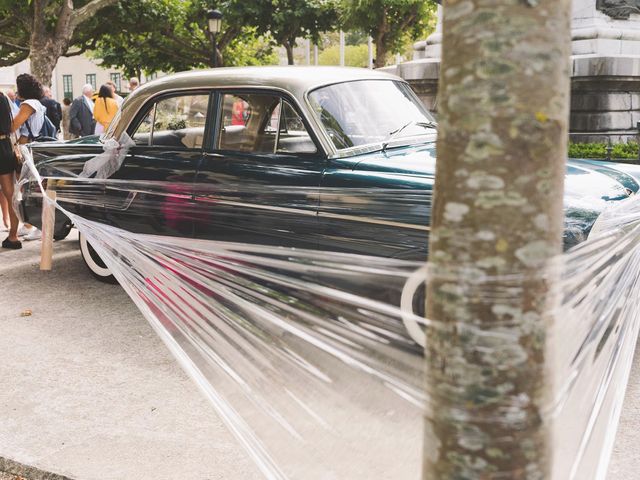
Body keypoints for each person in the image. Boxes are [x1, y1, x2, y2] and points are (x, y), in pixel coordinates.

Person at [11, 73, 47, 241]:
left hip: (28, 149)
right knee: (29, 187)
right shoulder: (38, 103)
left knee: (31, 188)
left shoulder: (28, 104)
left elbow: (13, 125)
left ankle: (38, 225)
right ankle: (29, 225)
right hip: (33, 146)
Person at [0, 92, 21, 249]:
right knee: (10, 193)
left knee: (10, 194)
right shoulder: (3, 98)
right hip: (5, 145)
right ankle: (14, 236)